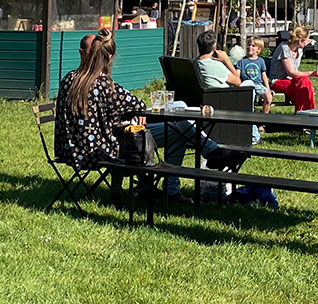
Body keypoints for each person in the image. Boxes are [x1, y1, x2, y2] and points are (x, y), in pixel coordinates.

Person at [55, 28, 231, 200]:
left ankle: (206, 156)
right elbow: (138, 104)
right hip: (102, 150)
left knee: (174, 124)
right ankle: (174, 181)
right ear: (109, 58)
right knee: (178, 132)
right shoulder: (104, 86)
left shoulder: (68, 79)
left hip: (71, 148)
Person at [197, 29, 270, 115]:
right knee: (249, 83)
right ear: (214, 48)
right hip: (225, 100)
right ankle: (252, 119)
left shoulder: (196, 63)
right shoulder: (215, 66)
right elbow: (237, 81)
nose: (250, 47)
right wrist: (226, 60)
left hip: (208, 98)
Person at [270, 26, 317, 111]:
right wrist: (311, 73)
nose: (308, 42)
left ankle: (304, 113)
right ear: (300, 41)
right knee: (304, 89)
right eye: (307, 40)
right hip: (278, 80)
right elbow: (290, 72)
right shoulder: (284, 48)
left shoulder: (299, 50)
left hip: (291, 80)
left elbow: (296, 72)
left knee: (305, 83)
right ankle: (307, 113)